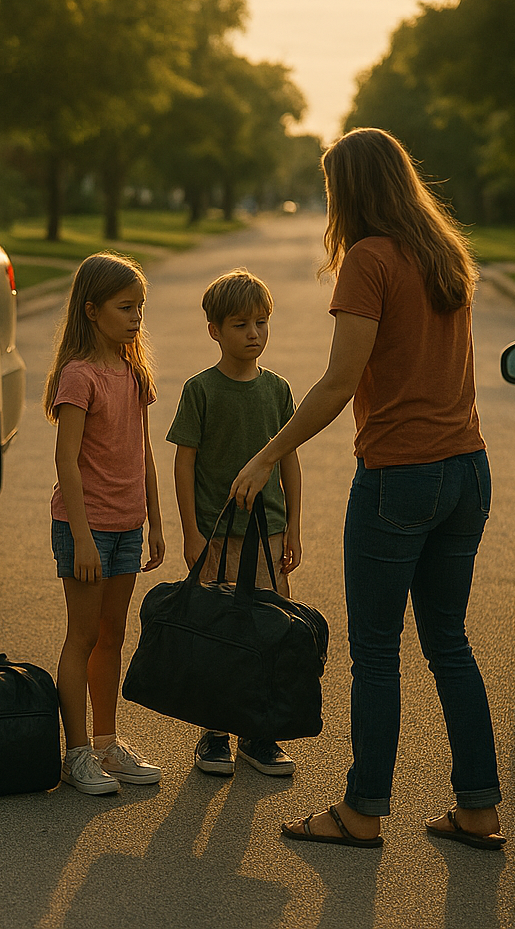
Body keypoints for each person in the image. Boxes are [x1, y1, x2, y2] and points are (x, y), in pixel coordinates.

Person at [231, 127, 505, 850]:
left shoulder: (370, 260)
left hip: (399, 478)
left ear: (348, 190)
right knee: (449, 642)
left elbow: (338, 382)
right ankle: (478, 809)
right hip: (466, 470)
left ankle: (362, 811)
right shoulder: (444, 252)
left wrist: (268, 453)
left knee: (377, 652)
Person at [166, 267, 303, 779]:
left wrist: (295, 526)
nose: (254, 333)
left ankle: (258, 734)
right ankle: (214, 733)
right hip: (216, 534)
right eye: (241, 324)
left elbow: (288, 460)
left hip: (267, 536)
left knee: (267, 629)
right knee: (218, 630)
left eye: (262, 323)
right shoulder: (201, 390)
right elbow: (184, 462)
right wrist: (190, 531)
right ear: (214, 331)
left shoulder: (279, 390)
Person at [47, 251, 168, 795]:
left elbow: (143, 451)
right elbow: (65, 460)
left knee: (113, 637)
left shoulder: (133, 370)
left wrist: (157, 522)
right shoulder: (79, 376)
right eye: (126, 307)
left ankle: (106, 743)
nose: (137, 316)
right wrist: (80, 540)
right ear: (92, 311)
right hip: (87, 529)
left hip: (128, 524)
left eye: (140, 306)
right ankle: (75, 754)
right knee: (83, 636)